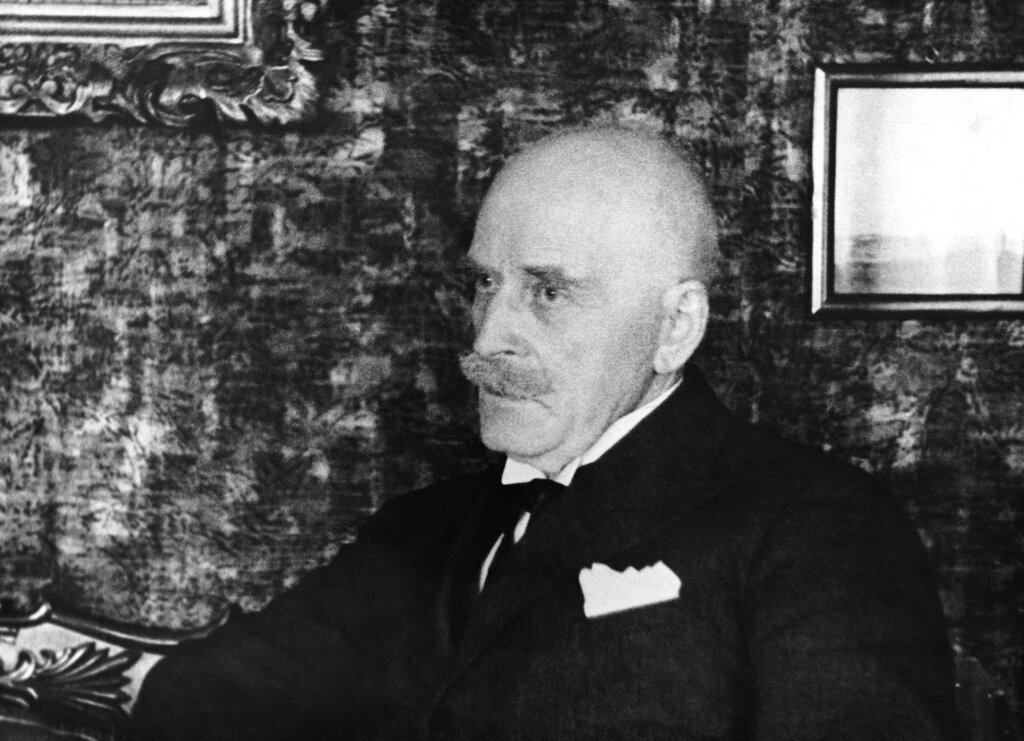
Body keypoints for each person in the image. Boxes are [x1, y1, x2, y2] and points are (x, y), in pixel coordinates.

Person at [128, 127, 961, 740]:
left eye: (549, 292)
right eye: (485, 285)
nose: (490, 336)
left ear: (675, 326)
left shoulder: (816, 528)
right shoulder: (424, 530)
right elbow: (192, 699)